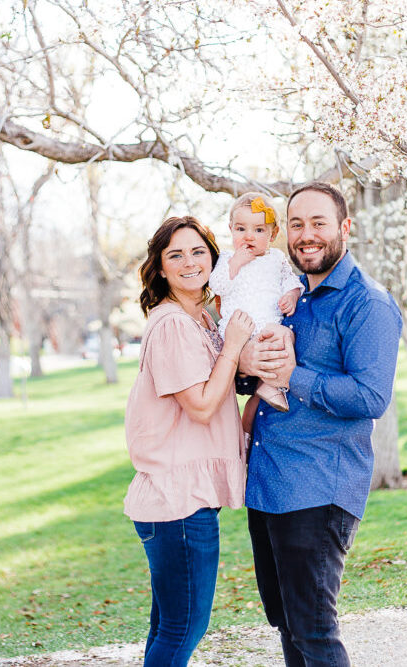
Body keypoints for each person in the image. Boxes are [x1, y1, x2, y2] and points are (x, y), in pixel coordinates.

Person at [238, 182, 402, 667]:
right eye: (296, 224)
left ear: (344, 228)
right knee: (287, 624)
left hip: (318, 489)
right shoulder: (292, 298)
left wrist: (294, 376)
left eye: (318, 223)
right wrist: (249, 366)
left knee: (314, 630)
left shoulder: (366, 303)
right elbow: (259, 375)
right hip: (269, 485)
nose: (305, 234)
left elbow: (371, 396)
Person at [123, 215, 254, 667]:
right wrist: (234, 343)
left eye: (198, 251)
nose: (189, 262)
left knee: (169, 626)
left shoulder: (197, 319)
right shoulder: (174, 325)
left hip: (180, 500)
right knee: (184, 627)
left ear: (212, 257)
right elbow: (200, 405)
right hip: (177, 502)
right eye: (175, 255)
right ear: (160, 269)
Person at [209, 192, 303, 418]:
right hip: (238, 331)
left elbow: (292, 280)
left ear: (273, 234)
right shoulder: (226, 259)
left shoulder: (276, 259)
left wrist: (292, 294)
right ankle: (264, 390)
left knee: (286, 337)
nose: (249, 236)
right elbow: (217, 285)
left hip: (269, 328)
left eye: (259, 230)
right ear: (231, 229)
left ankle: (271, 387)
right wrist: (235, 264)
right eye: (241, 229)